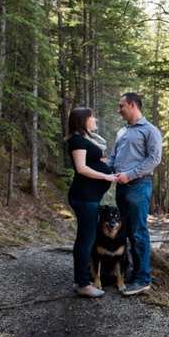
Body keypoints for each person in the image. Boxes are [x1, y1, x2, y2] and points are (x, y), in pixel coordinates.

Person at [108, 93, 162, 296]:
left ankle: (143, 279)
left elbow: (154, 158)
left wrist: (129, 175)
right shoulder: (122, 131)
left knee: (139, 233)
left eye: (121, 106)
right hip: (121, 188)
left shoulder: (150, 130)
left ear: (132, 105)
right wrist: (107, 170)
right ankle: (131, 273)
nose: (118, 109)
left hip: (138, 187)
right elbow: (114, 157)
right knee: (127, 232)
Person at [65, 107, 118, 298]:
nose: (95, 119)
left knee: (83, 239)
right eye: (92, 117)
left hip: (88, 197)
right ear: (83, 121)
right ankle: (84, 285)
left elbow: (90, 161)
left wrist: (101, 163)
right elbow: (81, 168)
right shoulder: (78, 141)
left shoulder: (85, 140)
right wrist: (107, 177)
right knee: (87, 240)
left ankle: (79, 280)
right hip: (84, 197)